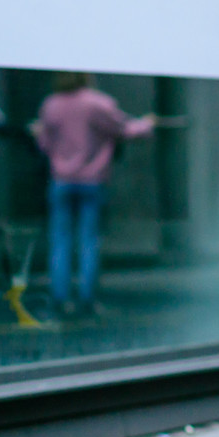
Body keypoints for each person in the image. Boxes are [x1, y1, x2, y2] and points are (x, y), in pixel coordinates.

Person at [33, 72, 156, 317]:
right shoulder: (97, 103)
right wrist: (147, 124)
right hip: (92, 181)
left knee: (60, 241)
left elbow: (44, 143)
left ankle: (60, 299)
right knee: (89, 241)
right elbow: (123, 129)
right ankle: (87, 299)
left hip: (61, 181)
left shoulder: (51, 105)